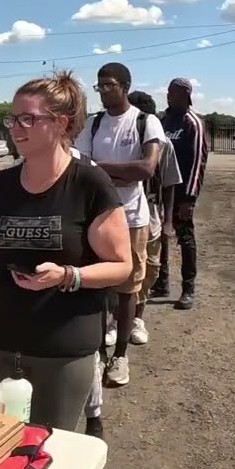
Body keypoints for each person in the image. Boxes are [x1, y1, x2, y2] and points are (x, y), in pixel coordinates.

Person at [0, 70, 132, 431]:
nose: (15, 128)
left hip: (62, 351)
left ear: (61, 123)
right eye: (13, 118)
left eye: (28, 119)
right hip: (0, 343)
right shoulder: (3, 184)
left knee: (49, 449)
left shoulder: (89, 183)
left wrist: (68, 276)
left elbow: (122, 266)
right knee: (1, 445)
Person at [73, 63, 163, 388]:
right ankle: (97, 352)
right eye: (99, 86)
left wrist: (99, 168)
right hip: (96, 216)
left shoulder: (144, 121)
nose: (104, 91)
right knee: (96, 284)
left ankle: (120, 356)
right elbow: (79, 166)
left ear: (125, 86)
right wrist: (115, 171)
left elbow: (146, 168)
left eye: (109, 85)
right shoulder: (93, 124)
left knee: (128, 288)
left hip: (132, 218)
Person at [127, 91, 182, 335]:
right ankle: (116, 320)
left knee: (149, 266)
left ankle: (137, 317)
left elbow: (169, 184)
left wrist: (168, 221)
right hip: (121, 210)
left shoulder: (164, 144)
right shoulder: (120, 141)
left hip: (150, 211)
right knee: (121, 265)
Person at [152, 77, 209, 309]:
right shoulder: (162, 120)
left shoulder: (192, 123)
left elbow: (198, 162)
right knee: (160, 236)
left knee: (184, 238)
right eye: (167, 92)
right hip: (162, 192)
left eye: (172, 93)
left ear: (185, 95)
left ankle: (188, 288)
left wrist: (189, 198)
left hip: (182, 194)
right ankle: (161, 281)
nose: (168, 96)